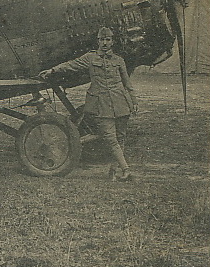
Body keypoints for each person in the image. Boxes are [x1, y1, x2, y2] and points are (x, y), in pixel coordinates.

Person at [38, 27, 138, 181]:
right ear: (98, 41)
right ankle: (126, 170)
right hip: (100, 103)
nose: (105, 43)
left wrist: (134, 101)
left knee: (120, 138)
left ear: (112, 42)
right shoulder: (90, 58)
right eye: (102, 40)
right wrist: (52, 70)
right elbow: (71, 64)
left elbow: (128, 84)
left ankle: (113, 170)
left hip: (120, 103)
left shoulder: (119, 61)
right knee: (110, 138)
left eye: (108, 40)